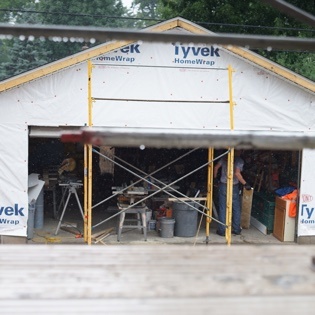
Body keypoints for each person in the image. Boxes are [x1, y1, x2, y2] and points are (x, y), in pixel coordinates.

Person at [213, 150, 251, 236]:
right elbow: (237, 173)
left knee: (223, 208)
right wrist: (245, 184)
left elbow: (215, 168)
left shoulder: (224, 158)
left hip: (223, 185)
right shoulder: (239, 161)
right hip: (233, 186)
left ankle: (222, 230)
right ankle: (236, 229)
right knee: (236, 208)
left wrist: (215, 179)